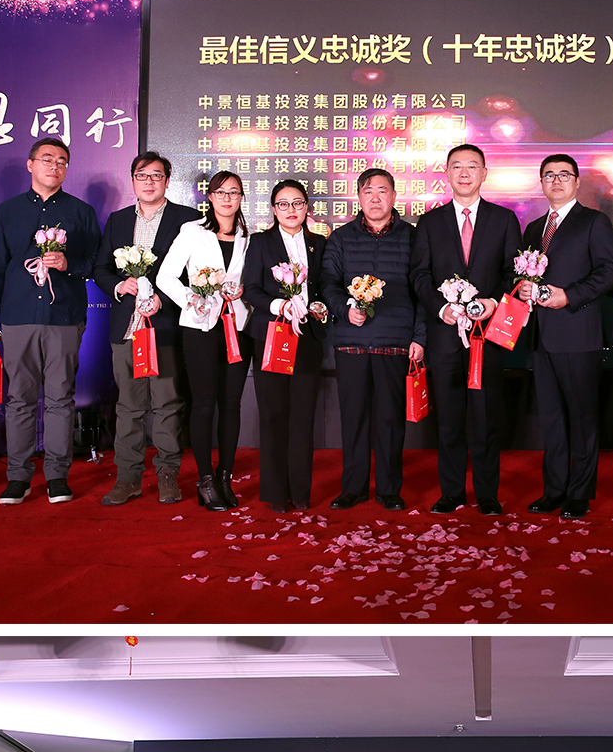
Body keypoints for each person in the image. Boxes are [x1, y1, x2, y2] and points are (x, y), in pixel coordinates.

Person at [0, 138, 100, 505]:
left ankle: (57, 476)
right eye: (47, 159)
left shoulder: (81, 212)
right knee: (19, 399)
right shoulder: (9, 211)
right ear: (30, 164)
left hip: (64, 316)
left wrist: (68, 264)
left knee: (60, 398)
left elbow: (95, 263)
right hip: (18, 317)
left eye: (62, 161)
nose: (54, 166)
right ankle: (18, 476)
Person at [409, 143, 521, 515]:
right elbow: (419, 275)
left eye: (472, 166)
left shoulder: (504, 220)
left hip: (487, 335)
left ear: (484, 173)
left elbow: (513, 273)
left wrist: (493, 303)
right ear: (447, 173)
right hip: (444, 336)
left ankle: (487, 493)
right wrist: (441, 308)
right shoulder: (430, 222)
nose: (464, 173)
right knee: (450, 417)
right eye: (456, 166)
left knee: (486, 415)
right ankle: (452, 491)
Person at [517, 154, 613, 520]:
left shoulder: (593, 221)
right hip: (541, 337)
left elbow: (609, 271)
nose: (557, 181)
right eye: (549, 175)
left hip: (578, 333)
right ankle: (554, 490)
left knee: (581, 417)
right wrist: (524, 289)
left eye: (564, 175)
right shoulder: (534, 228)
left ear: (577, 182)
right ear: (541, 183)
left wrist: (569, 296)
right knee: (551, 418)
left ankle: (579, 494)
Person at [91, 152, 197, 507]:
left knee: (167, 403)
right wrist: (120, 286)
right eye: (142, 175)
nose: (149, 181)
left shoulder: (187, 220)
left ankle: (167, 473)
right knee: (129, 406)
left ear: (167, 180)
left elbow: (195, 273)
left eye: (156, 175)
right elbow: (101, 268)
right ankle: (128, 478)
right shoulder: (118, 219)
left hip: (164, 326)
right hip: (127, 327)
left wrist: (162, 300)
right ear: (132, 180)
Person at [320, 168, 426, 511]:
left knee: (390, 419)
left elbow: (424, 292)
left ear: (394, 196)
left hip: (395, 342)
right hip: (351, 341)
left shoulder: (413, 238)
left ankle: (389, 489)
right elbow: (328, 283)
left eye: (382, 191)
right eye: (368, 191)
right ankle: (353, 488)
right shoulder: (341, 238)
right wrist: (345, 308)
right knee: (353, 418)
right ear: (359, 197)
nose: (375, 198)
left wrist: (419, 337)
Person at [155, 171, 252, 512]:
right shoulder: (192, 231)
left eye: (234, 193)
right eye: (221, 192)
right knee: (204, 404)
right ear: (209, 197)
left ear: (241, 198)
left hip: (238, 327)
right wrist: (190, 298)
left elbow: (254, 280)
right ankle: (206, 480)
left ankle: (225, 477)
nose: (227, 199)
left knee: (231, 404)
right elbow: (165, 276)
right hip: (200, 326)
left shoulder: (249, 237)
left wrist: (245, 292)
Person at [241, 178, 329, 512]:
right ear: (274, 209)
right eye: (283, 204)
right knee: (273, 414)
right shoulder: (260, 242)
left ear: (307, 207)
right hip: (271, 335)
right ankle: (276, 493)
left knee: (303, 416)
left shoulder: (319, 244)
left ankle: (301, 491)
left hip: (308, 337)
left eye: (297, 203)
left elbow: (326, 287)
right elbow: (251, 289)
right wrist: (280, 306)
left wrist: (319, 306)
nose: (291, 210)